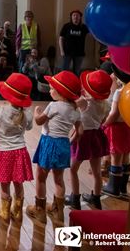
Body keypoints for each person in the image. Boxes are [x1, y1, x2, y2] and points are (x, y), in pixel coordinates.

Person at [26, 71, 82, 224]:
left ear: (61, 92)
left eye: (52, 88)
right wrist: (69, 141)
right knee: (59, 179)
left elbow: (38, 121)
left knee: (41, 178)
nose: (50, 91)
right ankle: (58, 212)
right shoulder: (75, 110)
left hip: (49, 143)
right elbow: (80, 131)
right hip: (63, 144)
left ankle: (40, 211)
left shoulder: (53, 106)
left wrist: (36, 111)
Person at [0, 73, 34, 222]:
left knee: (4, 185)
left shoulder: (1, 111)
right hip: (21, 151)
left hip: (4, 153)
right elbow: (30, 126)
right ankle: (18, 212)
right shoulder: (27, 113)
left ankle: (5, 212)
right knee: (18, 183)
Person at [65, 70, 111, 210]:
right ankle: (96, 199)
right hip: (97, 135)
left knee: (73, 169)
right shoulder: (106, 104)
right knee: (97, 172)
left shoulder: (83, 102)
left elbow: (71, 101)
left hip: (82, 136)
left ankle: (75, 198)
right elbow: (103, 121)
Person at [102, 65, 130, 198]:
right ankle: (122, 187)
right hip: (128, 126)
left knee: (116, 157)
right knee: (125, 157)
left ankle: (113, 187)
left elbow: (114, 113)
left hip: (116, 127)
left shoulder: (120, 92)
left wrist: (105, 124)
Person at [59, 10, 89, 76]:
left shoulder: (84, 27)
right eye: (74, 15)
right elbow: (61, 38)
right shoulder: (66, 26)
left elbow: (93, 31)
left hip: (79, 53)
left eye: (77, 15)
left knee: (77, 72)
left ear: (80, 17)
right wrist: (62, 51)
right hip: (67, 52)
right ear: (71, 17)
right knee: (64, 71)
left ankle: (75, 85)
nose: (75, 17)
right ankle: (63, 84)